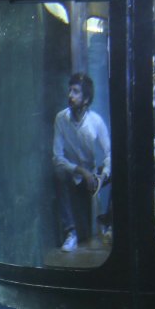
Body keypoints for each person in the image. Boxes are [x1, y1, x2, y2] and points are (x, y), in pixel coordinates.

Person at [52, 72, 111, 252]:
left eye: (76, 92)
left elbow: (110, 152)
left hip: (93, 177)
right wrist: (81, 172)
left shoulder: (96, 122)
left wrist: (101, 176)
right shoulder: (61, 119)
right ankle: (71, 232)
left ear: (86, 99)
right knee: (58, 173)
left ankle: (109, 223)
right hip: (73, 176)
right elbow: (57, 158)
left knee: (120, 170)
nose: (70, 95)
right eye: (70, 90)